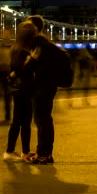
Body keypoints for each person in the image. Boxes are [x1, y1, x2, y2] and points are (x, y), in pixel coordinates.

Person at [25, 15, 59, 164]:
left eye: (28, 26)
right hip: (49, 86)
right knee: (46, 120)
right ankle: (46, 153)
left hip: (42, 87)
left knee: (41, 121)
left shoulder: (38, 43)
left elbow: (34, 66)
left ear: (34, 28)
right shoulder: (46, 42)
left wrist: (29, 61)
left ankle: (43, 154)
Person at [3, 21, 36, 162]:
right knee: (23, 122)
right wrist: (32, 61)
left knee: (19, 121)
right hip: (25, 88)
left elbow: (13, 70)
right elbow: (20, 70)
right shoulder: (23, 51)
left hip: (18, 89)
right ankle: (14, 151)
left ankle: (18, 151)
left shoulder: (15, 48)